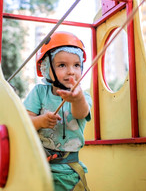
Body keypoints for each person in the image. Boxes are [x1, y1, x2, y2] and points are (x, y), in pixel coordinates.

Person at [24, 31, 92, 191]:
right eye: (62, 65)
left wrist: (77, 99)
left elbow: (81, 113)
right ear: (46, 68)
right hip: (38, 167)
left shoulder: (83, 96)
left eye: (76, 65)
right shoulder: (39, 93)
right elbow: (25, 123)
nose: (71, 71)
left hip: (68, 171)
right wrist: (40, 121)